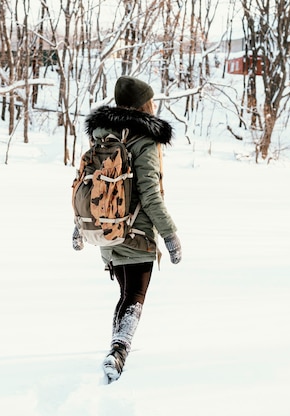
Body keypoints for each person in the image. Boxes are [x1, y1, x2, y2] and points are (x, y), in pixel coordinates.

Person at [72, 75, 182, 382]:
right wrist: (170, 234)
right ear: (144, 104)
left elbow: (86, 183)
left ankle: (117, 345)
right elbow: (150, 193)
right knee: (135, 295)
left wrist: (80, 226)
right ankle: (118, 351)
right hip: (138, 232)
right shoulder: (145, 139)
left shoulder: (101, 135)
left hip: (106, 230)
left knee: (125, 292)